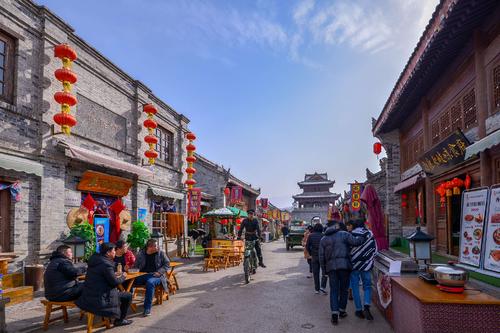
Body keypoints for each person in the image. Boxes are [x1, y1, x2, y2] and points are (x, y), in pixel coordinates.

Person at [319, 223, 366, 325]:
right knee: (344, 290)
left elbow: (321, 257)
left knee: (334, 290)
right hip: (344, 266)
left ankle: (334, 315)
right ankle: (342, 311)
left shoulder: (323, 239)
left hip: (331, 268)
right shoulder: (344, 234)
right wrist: (364, 235)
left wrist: (324, 271)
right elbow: (356, 242)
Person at [76, 243, 133, 327]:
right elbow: (115, 282)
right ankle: (120, 320)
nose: (114, 252)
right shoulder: (106, 264)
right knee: (127, 295)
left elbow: (102, 276)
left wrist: (113, 274)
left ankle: (114, 316)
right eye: (113, 250)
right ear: (108, 252)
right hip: (101, 297)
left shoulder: (95, 261)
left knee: (118, 294)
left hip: (88, 295)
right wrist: (123, 276)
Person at [348, 219, 377, 320]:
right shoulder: (370, 233)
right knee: (367, 286)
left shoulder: (350, 234)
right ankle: (367, 305)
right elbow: (375, 249)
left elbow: (347, 250)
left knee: (355, 287)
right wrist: (369, 260)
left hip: (354, 266)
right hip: (366, 265)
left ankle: (359, 310)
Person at [134, 238, 170, 317]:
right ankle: (126, 305)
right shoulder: (140, 254)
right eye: (156, 246)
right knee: (128, 282)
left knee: (150, 283)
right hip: (142, 275)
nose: (158, 247)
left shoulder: (161, 253)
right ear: (150, 247)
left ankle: (147, 308)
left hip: (156, 275)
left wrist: (159, 272)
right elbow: (135, 266)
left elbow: (167, 264)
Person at [306, 223, 328, 295]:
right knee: (324, 272)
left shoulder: (310, 236)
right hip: (323, 257)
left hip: (314, 257)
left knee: (316, 273)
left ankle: (317, 289)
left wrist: (311, 253)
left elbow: (307, 246)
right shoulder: (324, 235)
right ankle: (323, 287)